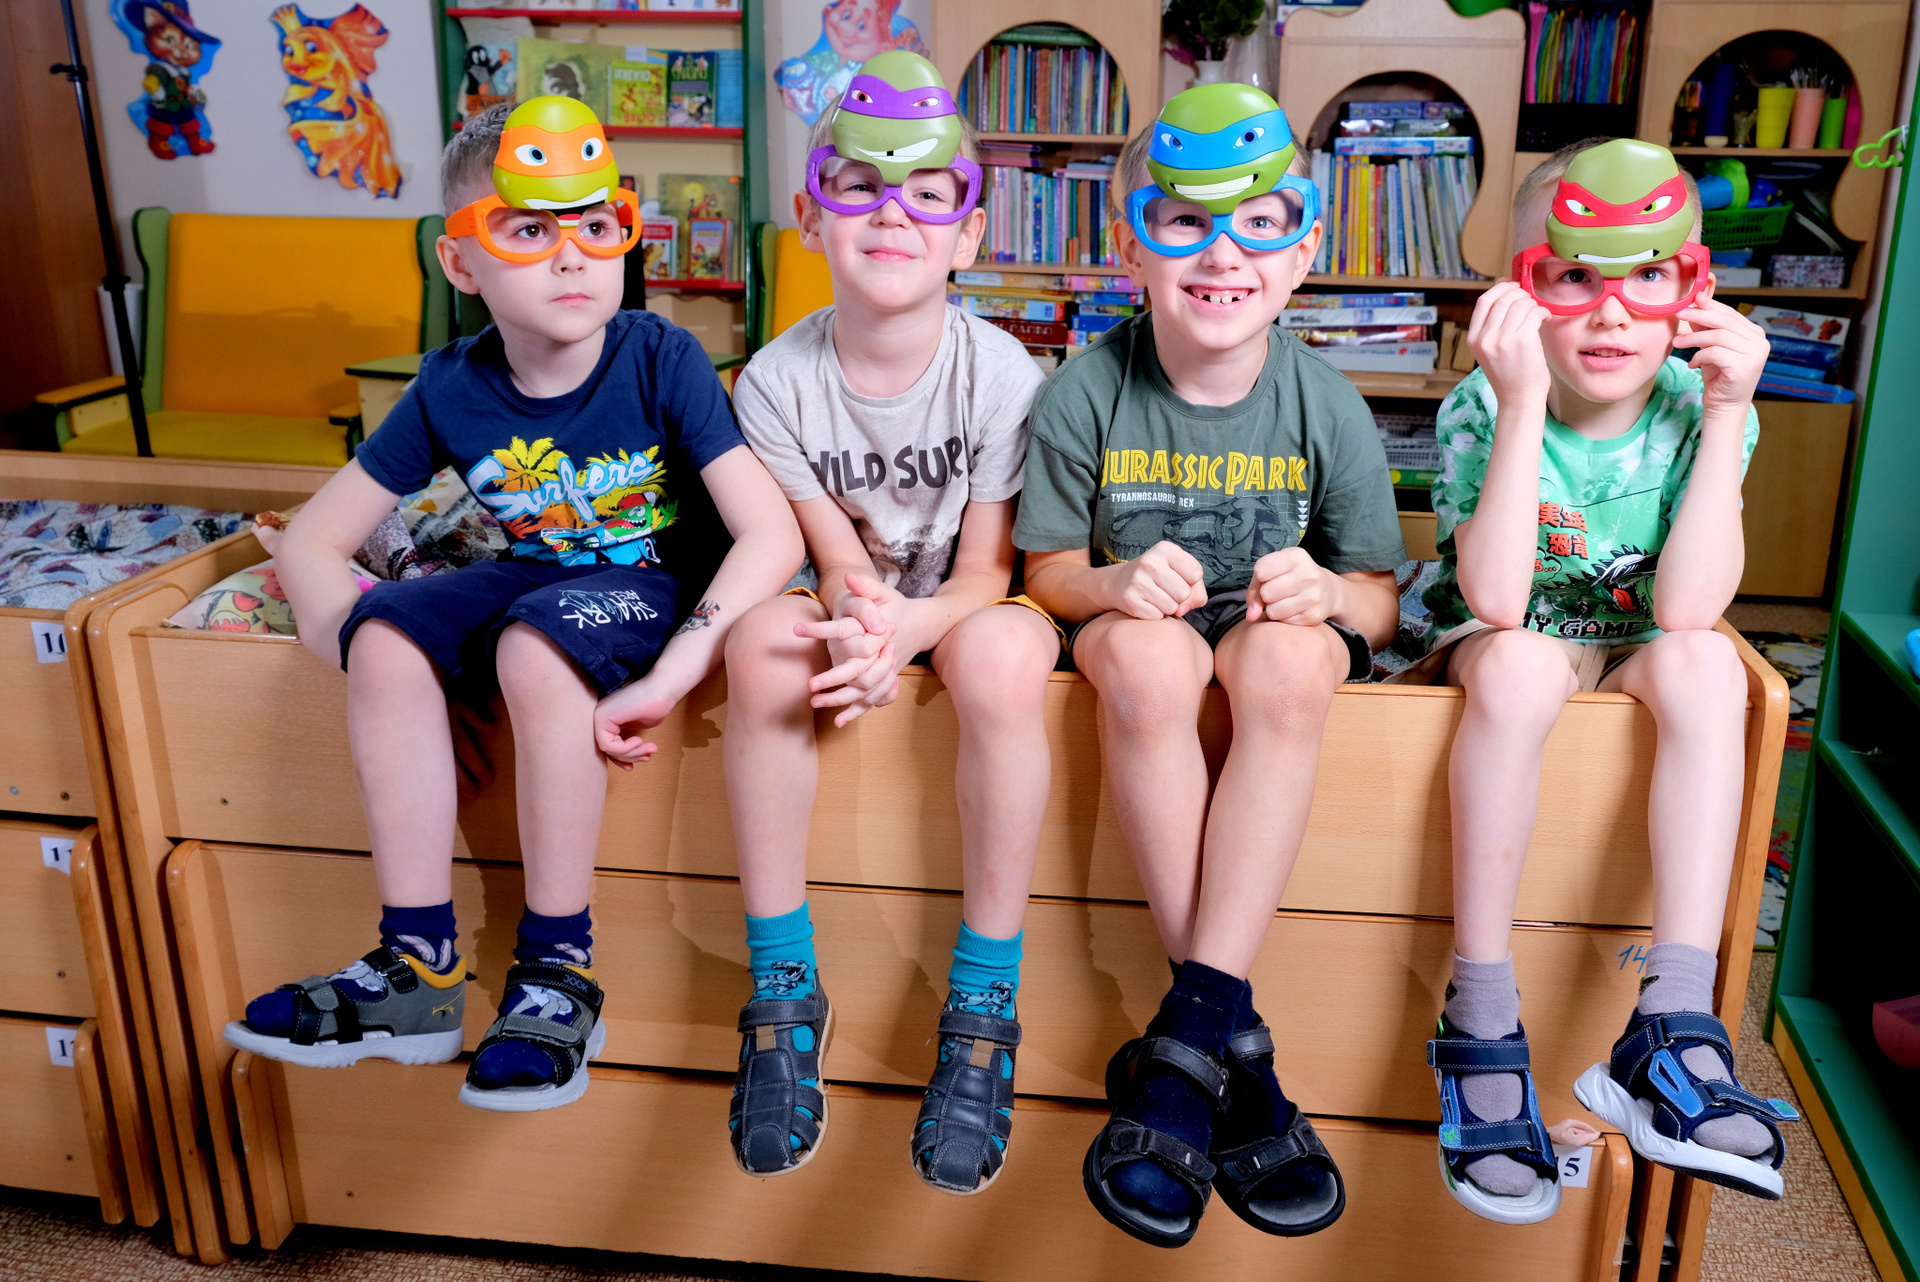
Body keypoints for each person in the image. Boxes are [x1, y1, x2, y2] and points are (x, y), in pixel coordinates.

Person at [222, 96, 802, 1113]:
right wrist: (369, 661)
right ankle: (418, 968)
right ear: (461, 263)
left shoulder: (660, 355)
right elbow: (313, 540)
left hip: (655, 581)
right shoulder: (449, 386)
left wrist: (679, 667)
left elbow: (772, 534)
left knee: (532, 650)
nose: (571, 255)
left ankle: (558, 971)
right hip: (538, 575)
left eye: (596, 223)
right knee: (387, 637)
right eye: (528, 230)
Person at [1015, 83, 1407, 1247]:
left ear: (1303, 251)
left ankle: (1184, 1041)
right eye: (1184, 221)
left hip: (1261, 649)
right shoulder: (1086, 390)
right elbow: (1046, 570)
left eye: (1259, 223)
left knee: (1288, 661)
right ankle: (1232, 1046)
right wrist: (1111, 584)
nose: (1223, 253)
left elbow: (1382, 601)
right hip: (1143, 647)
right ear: (1129, 242)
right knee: (1145, 658)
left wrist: (1331, 593)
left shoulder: (1327, 404)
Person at [686, 51, 1054, 1194]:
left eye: (928, 194)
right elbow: (833, 557)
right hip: (851, 605)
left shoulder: (1004, 377)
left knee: (1006, 654)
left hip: (961, 604)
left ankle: (985, 998)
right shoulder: (773, 384)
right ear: (810, 216)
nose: (894, 213)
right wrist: (862, 622)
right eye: (859, 187)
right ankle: (784, 988)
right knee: (760, 642)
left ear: (968, 233)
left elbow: (990, 573)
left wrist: (911, 628)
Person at [1415, 137, 1795, 1223]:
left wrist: (1727, 411)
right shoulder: (1484, 403)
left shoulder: (1697, 403)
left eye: (1647, 275)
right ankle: (1481, 1009)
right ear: (1523, 291)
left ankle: (1673, 1017)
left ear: (1693, 289)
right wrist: (1521, 403)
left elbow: (1689, 609)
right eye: (1574, 276)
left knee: (1711, 667)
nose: (1612, 312)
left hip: (1637, 639)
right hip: (1507, 633)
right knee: (1524, 664)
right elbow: (1498, 599)